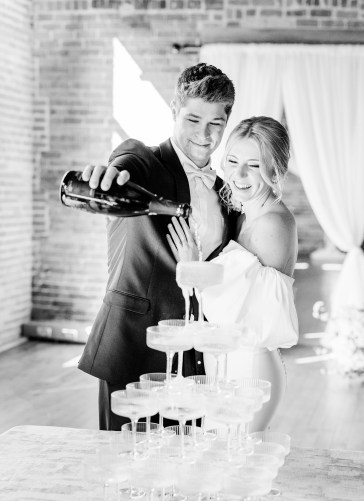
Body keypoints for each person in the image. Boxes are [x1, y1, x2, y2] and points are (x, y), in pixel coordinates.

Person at [77, 63, 237, 431]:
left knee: (185, 472)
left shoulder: (226, 192)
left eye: (216, 123)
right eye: (193, 119)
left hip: (195, 359)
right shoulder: (144, 162)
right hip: (135, 346)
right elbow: (119, 173)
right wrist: (108, 180)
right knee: (126, 468)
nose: (203, 133)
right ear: (174, 111)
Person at [167, 116, 299, 431]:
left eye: (253, 165)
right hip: (225, 363)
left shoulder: (272, 225)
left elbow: (235, 317)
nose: (238, 174)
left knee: (237, 462)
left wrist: (192, 266)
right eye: (233, 160)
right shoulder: (243, 217)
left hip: (249, 367)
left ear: (275, 169)